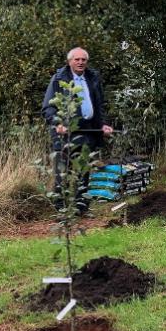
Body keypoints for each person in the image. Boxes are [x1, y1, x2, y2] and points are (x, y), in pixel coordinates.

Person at [42, 47, 113, 213]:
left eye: (83, 60)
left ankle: (81, 207)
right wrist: (57, 123)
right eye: (77, 59)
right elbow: (48, 108)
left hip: (89, 131)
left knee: (84, 171)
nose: (80, 62)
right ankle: (62, 209)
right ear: (69, 61)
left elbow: (99, 105)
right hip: (66, 133)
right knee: (63, 172)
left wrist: (103, 124)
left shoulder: (93, 78)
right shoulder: (59, 79)